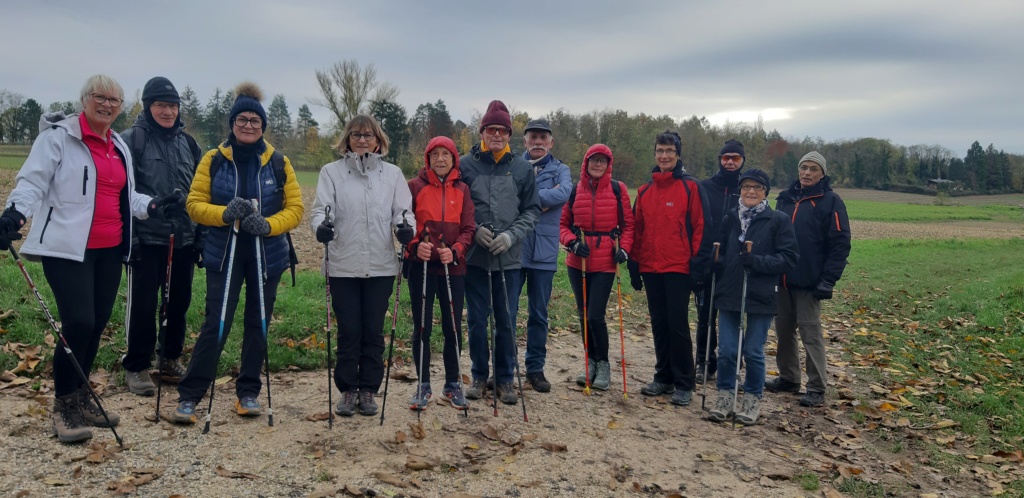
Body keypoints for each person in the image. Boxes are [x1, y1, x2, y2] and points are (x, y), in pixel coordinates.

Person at [0, 74, 186, 443]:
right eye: (100, 97)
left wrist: (151, 205)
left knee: (97, 323)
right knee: (80, 323)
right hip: (68, 247)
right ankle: (64, 405)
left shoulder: (116, 144)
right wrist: (14, 214)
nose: (107, 105)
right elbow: (33, 182)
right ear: (85, 99)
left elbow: (127, 196)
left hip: (110, 248)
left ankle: (82, 397)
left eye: (115, 100)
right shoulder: (58, 138)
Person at [173, 83, 304, 424]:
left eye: (255, 121)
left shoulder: (278, 162)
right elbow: (194, 205)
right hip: (224, 254)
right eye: (242, 119)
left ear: (263, 126)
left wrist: (269, 225)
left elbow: (296, 209)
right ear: (232, 123)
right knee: (217, 323)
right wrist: (224, 213)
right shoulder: (214, 160)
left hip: (267, 255)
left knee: (257, 325)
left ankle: (248, 392)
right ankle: (190, 395)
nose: (248, 126)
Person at [309, 114, 414, 417]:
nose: (362, 140)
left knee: (372, 329)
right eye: (356, 135)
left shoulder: (392, 174)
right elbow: (320, 210)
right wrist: (320, 227)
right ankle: (347, 389)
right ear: (347, 139)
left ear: (379, 139)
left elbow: (403, 212)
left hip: (381, 265)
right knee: (349, 330)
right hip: (342, 264)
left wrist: (406, 229)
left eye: (369, 135)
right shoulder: (332, 172)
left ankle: (368, 388)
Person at [120, 76, 203, 396]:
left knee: (177, 303)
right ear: (147, 106)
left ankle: (169, 357)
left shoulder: (189, 144)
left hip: (181, 238)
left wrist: (199, 238)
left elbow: (199, 193)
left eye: (172, 105)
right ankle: (137, 365)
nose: (168, 111)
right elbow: (122, 194)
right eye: (161, 105)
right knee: (142, 304)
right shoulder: (131, 140)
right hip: (146, 239)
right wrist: (133, 240)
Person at [460, 100, 540, 405]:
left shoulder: (521, 168)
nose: (496, 134)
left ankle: (505, 378)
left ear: (509, 134)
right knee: (478, 321)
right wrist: (474, 229)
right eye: (491, 129)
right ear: (482, 131)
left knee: (505, 320)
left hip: (508, 260)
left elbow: (532, 211)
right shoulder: (466, 165)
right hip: (475, 260)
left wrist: (510, 235)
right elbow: (459, 206)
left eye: (502, 130)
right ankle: (479, 375)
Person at [707, 169, 799, 425]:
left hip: (760, 295)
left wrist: (757, 261)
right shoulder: (731, 217)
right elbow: (723, 251)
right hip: (729, 292)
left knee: (753, 351)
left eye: (757, 188)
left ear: (765, 192)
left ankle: (752, 398)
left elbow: (789, 258)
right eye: (746, 186)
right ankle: (725, 396)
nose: (750, 192)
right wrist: (718, 262)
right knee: (726, 350)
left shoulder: (778, 220)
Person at [628, 130, 710, 407]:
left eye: (669, 152)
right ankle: (663, 375)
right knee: (659, 323)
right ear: (655, 154)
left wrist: (698, 265)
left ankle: (684, 381)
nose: (664, 156)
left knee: (677, 325)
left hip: (678, 267)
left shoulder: (690, 188)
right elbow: (638, 230)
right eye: (660, 151)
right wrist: (634, 264)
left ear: (677, 155)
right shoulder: (645, 191)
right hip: (651, 268)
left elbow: (700, 227)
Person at [767, 151, 851, 407]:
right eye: (804, 167)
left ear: (822, 173)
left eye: (813, 168)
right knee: (783, 331)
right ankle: (789, 378)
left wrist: (828, 280)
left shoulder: (830, 201)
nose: (807, 173)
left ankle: (816, 386)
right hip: (782, 279)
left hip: (811, 282)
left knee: (810, 333)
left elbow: (840, 243)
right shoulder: (785, 200)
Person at [405, 137, 475, 411]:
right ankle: (423, 385)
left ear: (454, 158)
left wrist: (456, 250)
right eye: (435, 154)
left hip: (452, 268)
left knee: (453, 327)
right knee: (421, 327)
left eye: (446, 154)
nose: (440, 159)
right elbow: (403, 224)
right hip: (420, 266)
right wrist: (413, 246)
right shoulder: (414, 187)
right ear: (428, 159)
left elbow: (469, 228)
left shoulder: (463, 190)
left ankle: (452, 384)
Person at [560, 144, 634, 391]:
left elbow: (628, 225)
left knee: (595, 315)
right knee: (583, 315)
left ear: (608, 164)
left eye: (603, 161)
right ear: (586, 162)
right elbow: (563, 225)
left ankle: (603, 363)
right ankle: (588, 361)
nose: (598, 165)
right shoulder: (575, 190)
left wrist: (624, 248)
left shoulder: (617, 189)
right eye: (594, 160)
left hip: (605, 261)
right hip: (578, 261)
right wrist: (571, 242)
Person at [513, 119, 571, 393]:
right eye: (532, 137)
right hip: (513, 250)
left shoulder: (561, 170)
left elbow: (564, 192)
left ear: (551, 142)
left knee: (539, 314)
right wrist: (543, 202)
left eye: (542, 137)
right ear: (524, 141)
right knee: (506, 311)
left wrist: (529, 200)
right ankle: (504, 369)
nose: (537, 141)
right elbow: (505, 196)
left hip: (544, 253)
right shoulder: (512, 166)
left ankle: (535, 369)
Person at [694, 139, 746, 384]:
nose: (730, 162)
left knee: (732, 317)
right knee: (705, 317)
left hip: (735, 264)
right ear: (720, 160)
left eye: (735, 158)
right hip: (707, 261)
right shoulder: (704, 187)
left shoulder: (748, 190)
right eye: (726, 158)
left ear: (742, 161)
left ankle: (732, 362)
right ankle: (704, 362)